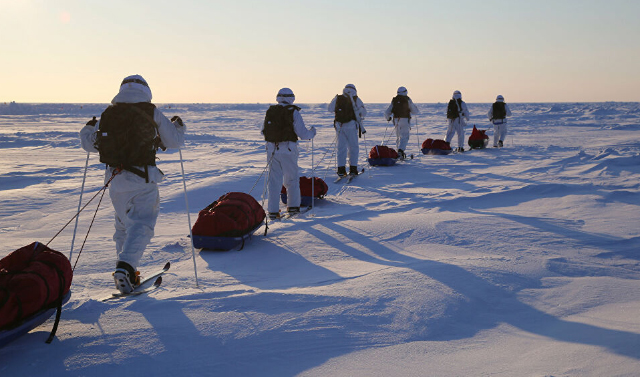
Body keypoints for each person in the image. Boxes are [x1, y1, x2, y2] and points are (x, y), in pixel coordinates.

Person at [79, 74, 185, 294]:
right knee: (142, 224)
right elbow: (174, 141)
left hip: (114, 180)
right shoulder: (151, 111)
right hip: (142, 178)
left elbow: (90, 144)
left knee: (124, 226)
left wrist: (88, 129)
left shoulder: (109, 113)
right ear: (146, 90)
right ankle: (126, 268)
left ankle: (128, 273)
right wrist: (179, 127)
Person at [262, 88, 316, 219]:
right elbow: (303, 134)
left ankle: (273, 211)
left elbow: (263, 131)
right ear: (292, 98)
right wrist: (312, 132)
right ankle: (293, 208)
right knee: (291, 179)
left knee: (274, 181)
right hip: (288, 150)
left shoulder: (271, 111)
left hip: (272, 150)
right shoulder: (294, 112)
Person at [328, 84, 367, 176]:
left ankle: (341, 169)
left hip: (339, 126)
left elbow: (330, 109)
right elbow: (364, 113)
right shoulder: (356, 98)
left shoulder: (338, 98)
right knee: (353, 147)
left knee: (341, 147)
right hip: (351, 126)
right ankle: (353, 169)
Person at [384, 86, 420, 160]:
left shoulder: (394, 100)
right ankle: (400, 151)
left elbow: (387, 112)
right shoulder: (407, 99)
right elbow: (415, 111)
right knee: (405, 137)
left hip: (396, 120)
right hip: (405, 120)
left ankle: (398, 152)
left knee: (398, 136)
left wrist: (388, 118)